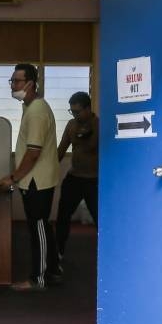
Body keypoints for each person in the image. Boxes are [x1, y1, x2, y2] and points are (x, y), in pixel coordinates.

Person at [0, 63, 61, 292]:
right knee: (43, 228)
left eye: (17, 81)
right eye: (12, 81)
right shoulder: (31, 107)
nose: (13, 85)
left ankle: (38, 279)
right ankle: (52, 271)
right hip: (36, 179)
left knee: (38, 228)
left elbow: (33, 153)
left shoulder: (37, 111)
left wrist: (12, 178)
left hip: (36, 181)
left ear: (31, 83)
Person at [54, 91, 99, 261]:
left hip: (94, 180)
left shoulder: (99, 126)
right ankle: (58, 251)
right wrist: (48, 171)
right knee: (63, 214)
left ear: (88, 108)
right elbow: (61, 150)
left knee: (99, 218)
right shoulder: (71, 125)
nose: (75, 115)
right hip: (74, 177)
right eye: (72, 111)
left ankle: (108, 253)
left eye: (78, 111)